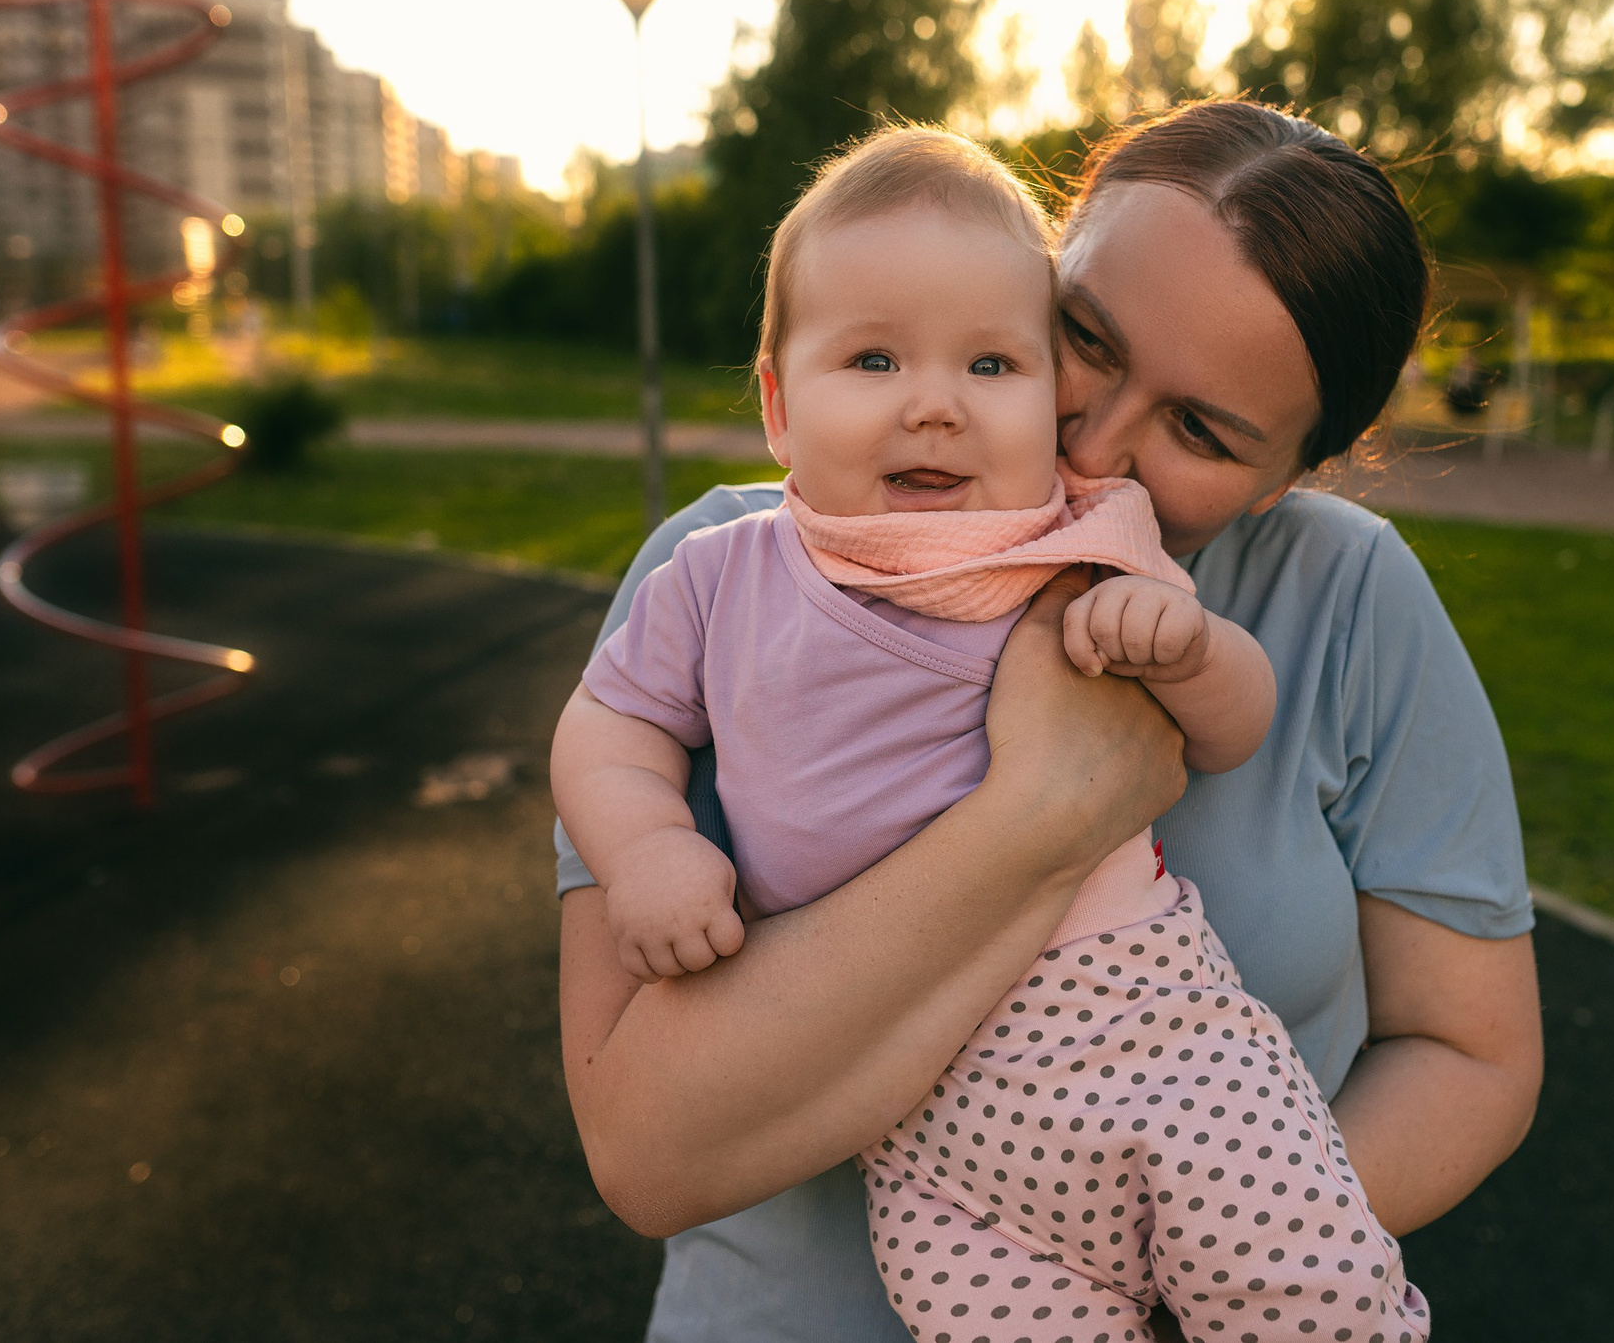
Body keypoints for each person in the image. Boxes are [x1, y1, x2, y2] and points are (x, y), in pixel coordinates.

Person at [559, 100, 1541, 1342]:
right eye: (1081, 337)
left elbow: (1473, 1053)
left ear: (1288, 474)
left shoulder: (1341, 597)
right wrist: (1044, 808)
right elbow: (647, 1156)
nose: (1096, 439)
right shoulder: (724, 570)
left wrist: (1219, 1253)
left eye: (1200, 430)